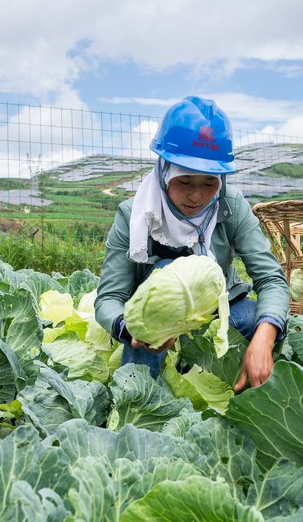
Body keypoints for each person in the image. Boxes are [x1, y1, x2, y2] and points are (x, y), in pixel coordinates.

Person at [94, 95, 289, 391]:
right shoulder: (133, 215)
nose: (197, 197)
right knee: (169, 270)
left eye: (210, 183)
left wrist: (265, 336)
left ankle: (238, 390)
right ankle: (141, 402)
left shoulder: (232, 206)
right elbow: (108, 298)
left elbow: (271, 279)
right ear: (164, 172)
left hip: (215, 315)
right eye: (185, 182)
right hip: (155, 329)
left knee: (261, 320)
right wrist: (127, 327)